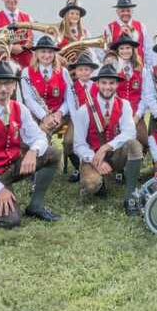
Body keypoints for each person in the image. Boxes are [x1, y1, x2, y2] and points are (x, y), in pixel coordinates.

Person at [0, 61, 62, 227]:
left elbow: (39, 137)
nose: (3, 88)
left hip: (14, 165)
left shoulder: (19, 108)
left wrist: (33, 152)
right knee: (12, 221)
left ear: (14, 86)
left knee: (53, 153)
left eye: (8, 83)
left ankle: (36, 206)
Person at [72, 64, 144, 214]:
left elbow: (130, 132)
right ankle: (99, 182)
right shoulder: (83, 110)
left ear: (117, 84)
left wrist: (106, 148)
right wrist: (94, 160)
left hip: (115, 153)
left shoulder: (124, 105)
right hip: (94, 155)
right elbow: (79, 145)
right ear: (97, 84)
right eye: (103, 82)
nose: (107, 87)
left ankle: (130, 196)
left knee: (135, 145)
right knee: (92, 184)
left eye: (111, 83)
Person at [19, 35, 69, 140]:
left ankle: (45, 153)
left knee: (42, 131)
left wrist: (59, 113)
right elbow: (28, 99)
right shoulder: (26, 72)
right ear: (36, 53)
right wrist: (44, 116)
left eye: (50, 52)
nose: (47, 55)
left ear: (54, 54)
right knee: (28, 132)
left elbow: (69, 99)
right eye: (43, 51)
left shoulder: (63, 72)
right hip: (34, 113)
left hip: (58, 114)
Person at [63, 52, 98, 183]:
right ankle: (77, 167)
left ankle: (91, 164)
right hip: (76, 118)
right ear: (76, 71)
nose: (83, 72)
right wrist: (78, 121)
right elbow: (71, 106)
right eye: (80, 69)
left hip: (93, 118)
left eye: (86, 69)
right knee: (68, 141)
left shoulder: (96, 85)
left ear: (91, 71)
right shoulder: (71, 87)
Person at [109, 29, 148, 149]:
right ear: (117, 51)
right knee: (116, 140)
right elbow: (109, 94)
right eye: (121, 48)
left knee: (143, 139)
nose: (125, 51)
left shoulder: (141, 70)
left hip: (136, 113)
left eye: (128, 48)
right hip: (116, 112)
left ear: (133, 50)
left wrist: (137, 116)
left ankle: (138, 160)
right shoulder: (112, 68)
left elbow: (145, 96)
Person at [104, 0, 154, 67]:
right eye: (122, 11)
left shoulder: (141, 26)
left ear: (132, 11)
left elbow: (148, 50)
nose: (126, 13)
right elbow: (103, 51)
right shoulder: (110, 28)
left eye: (128, 10)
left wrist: (147, 68)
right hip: (118, 72)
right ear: (117, 12)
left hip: (138, 69)